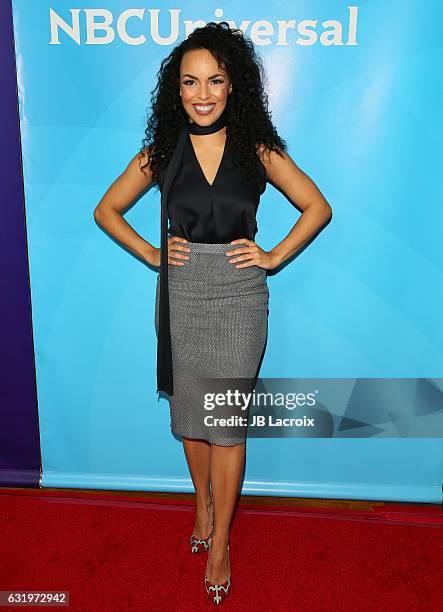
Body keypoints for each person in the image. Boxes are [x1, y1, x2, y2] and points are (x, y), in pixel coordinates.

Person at [94, 21, 332, 605]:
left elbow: (316, 206)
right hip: (182, 295)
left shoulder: (257, 150)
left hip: (239, 296)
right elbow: (107, 210)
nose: (202, 94)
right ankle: (201, 501)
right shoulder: (160, 152)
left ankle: (221, 539)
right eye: (190, 82)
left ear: (234, 86)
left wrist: (271, 256)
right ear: (176, 90)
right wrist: (154, 253)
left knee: (225, 426)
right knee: (190, 415)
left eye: (215, 81)